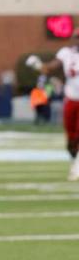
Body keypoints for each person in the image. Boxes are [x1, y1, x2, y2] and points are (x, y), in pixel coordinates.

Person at [26, 28, 79, 180]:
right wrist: (37, 65)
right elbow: (48, 68)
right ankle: (74, 162)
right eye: (77, 37)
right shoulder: (66, 53)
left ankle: (77, 167)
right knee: (71, 139)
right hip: (70, 98)